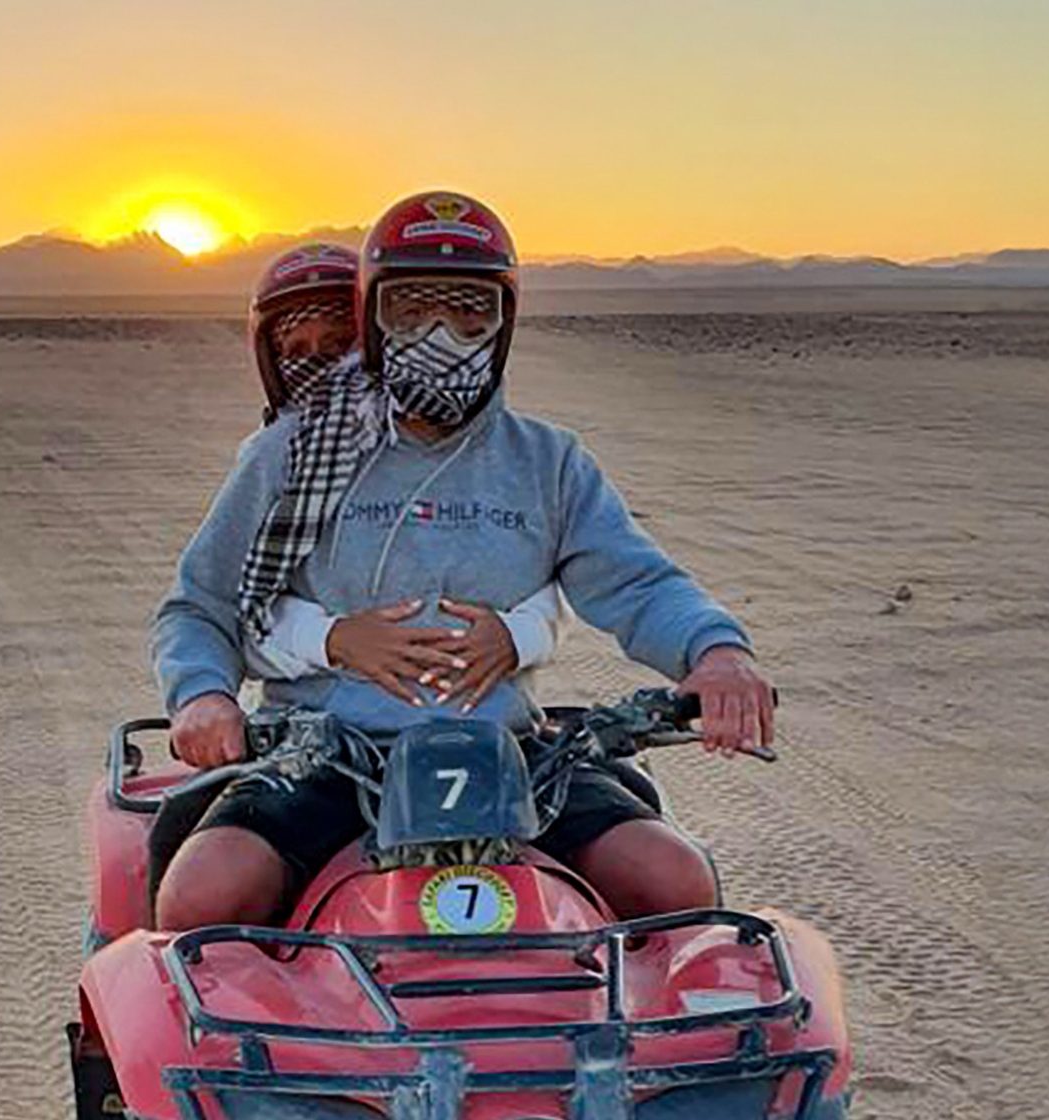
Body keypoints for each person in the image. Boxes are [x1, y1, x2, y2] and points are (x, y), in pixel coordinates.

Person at [152, 191, 775, 931]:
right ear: (373, 320)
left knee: (669, 877)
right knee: (205, 893)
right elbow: (202, 605)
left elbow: (638, 583)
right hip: (321, 750)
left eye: (469, 312)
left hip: (506, 751)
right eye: (411, 311)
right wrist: (203, 697)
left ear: (504, 322)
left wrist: (717, 653)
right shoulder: (290, 454)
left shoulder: (546, 461)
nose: (442, 336)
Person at [245, 242, 566, 693]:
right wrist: (330, 638)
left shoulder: (540, 458)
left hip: (489, 736)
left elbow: (591, 581)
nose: (322, 367)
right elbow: (221, 608)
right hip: (314, 736)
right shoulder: (276, 458)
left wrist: (522, 633)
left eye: (341, 346)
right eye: (298, 351)